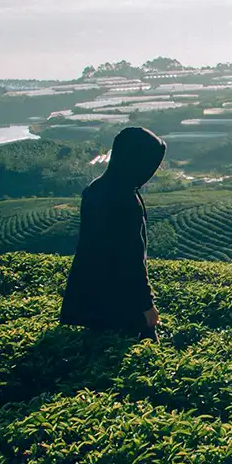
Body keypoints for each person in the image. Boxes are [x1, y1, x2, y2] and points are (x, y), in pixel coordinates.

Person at [60, 127, 166, 341]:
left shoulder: (95, 189)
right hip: (121, 303)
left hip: (91, 298)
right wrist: (147, 306)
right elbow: (131, 260)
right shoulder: (126, 199)